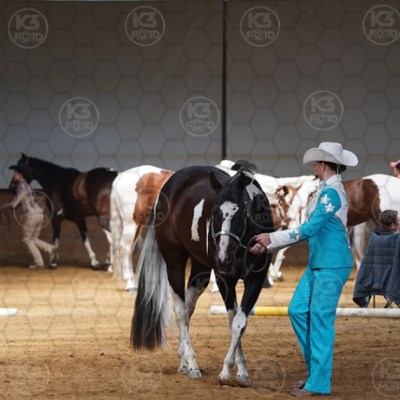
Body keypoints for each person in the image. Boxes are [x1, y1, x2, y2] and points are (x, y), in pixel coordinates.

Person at [250, 142, 358, 396]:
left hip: (332, 265)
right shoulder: (324, 191)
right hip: (319, 263)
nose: (314, 167)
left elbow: (309, 229)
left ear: (323, 165)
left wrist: (271, 238)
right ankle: (315, 372)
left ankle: (318, 383)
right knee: (298, 310)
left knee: (320, 320)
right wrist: (268, 244)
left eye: (316, 163)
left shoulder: (332, 194)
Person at [0, 164, 55, 269]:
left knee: (27, 240)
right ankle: (51, 249)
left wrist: (4, 207)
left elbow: (15, 203)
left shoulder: (21, 186)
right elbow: (23, 201)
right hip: (39, 214)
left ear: (20, 174)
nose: (13, 176)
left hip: (31, 215)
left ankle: (39, 263)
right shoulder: (28, 186)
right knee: (34, 239)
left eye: (15, 173)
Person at [353, 210, 400, 308]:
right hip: (392, 283)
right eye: (398, 221)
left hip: (373, 281)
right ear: (392, 225)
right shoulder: (397, 239)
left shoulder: (374, 237)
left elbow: (367, 263)